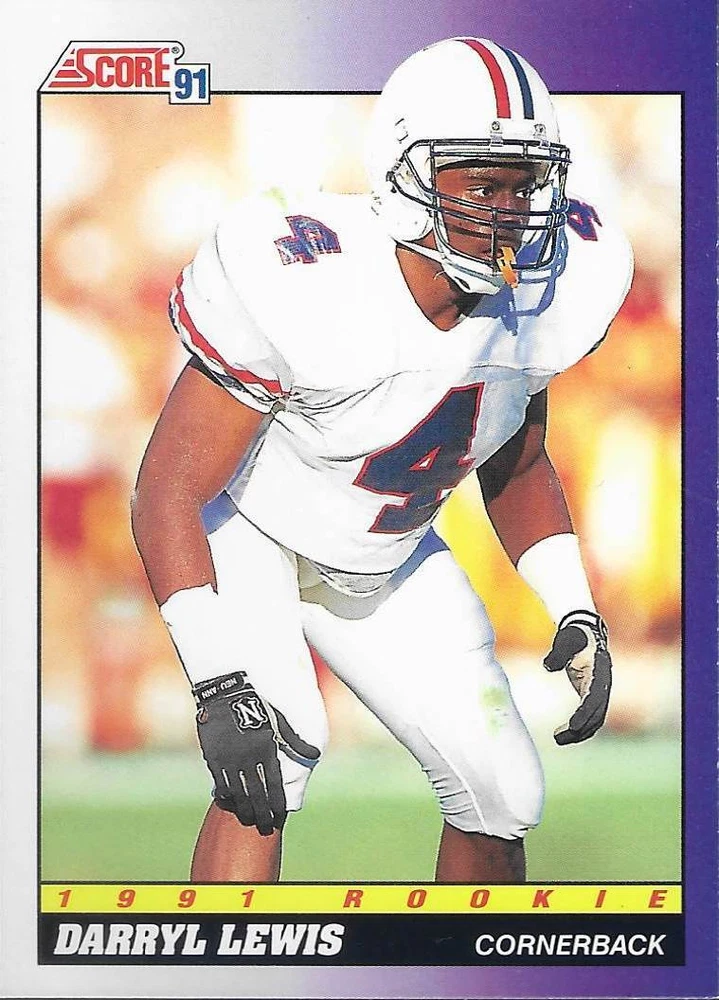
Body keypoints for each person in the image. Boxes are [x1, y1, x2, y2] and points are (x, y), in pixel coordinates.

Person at [131, 37, 633, 884]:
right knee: (273, 752)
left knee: (503, 793)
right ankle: (220, 954)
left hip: (384, 555)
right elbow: (167, 488)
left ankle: (466, 957)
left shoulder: (553, 289)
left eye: (522, 186)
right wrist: (216, 680)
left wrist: (574, 608)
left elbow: (516, 461)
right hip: (249, 527)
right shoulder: (307, 277)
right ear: (404, 177)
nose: (508, 213)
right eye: (480, 185)